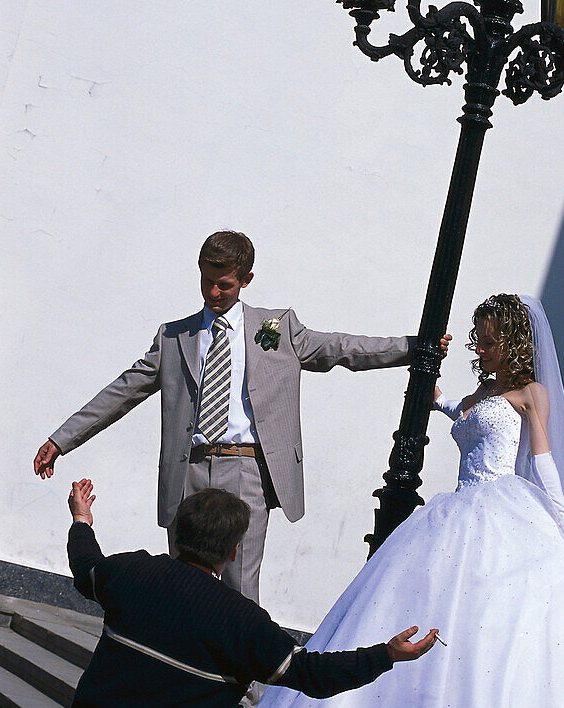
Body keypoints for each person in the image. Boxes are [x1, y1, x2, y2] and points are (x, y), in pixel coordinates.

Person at [239, 294, 564, 708]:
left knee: (493, 621)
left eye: (489, 342)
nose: (480, 350)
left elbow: (544, 457)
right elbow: (453, 410)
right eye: (478, 341)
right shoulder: (478, 398)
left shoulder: (530, 393)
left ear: (511, 343)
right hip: (457, 510)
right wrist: (429, 378)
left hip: (504, 509)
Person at [33, 229, 449, 601]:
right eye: (206, 281)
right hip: (189, 471)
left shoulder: (277, 328)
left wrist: (415, 347)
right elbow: (121, 391)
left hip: (247, 469)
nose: (213, 293)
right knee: (182, 586)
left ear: (246, 280)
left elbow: (341, 348)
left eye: (224, 285)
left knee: (239, 590)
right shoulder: (173, 336)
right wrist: (61, 440)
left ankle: (245, 688)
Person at [41, 479, 438, 708]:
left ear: (179, 533)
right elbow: (314, 675)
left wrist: (81, 520)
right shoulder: (243, 621)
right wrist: (386, 655)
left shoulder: (131, 572)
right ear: (233, 552)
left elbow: (85, 563)